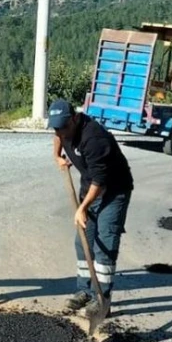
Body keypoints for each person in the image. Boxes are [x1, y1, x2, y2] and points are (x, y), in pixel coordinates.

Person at [48, 98, 134, 320]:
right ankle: (85, 291)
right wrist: (57, 156)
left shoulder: (95, 139)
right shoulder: (62, 130)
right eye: (56, 127)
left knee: (104, 243)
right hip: (90, 189)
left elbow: (100, 182)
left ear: (75, 118)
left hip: (114, 191)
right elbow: (57, 136)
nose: (60, 131)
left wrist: (82, 208)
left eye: (64, 126)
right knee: (82, 241)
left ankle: (102, 299)